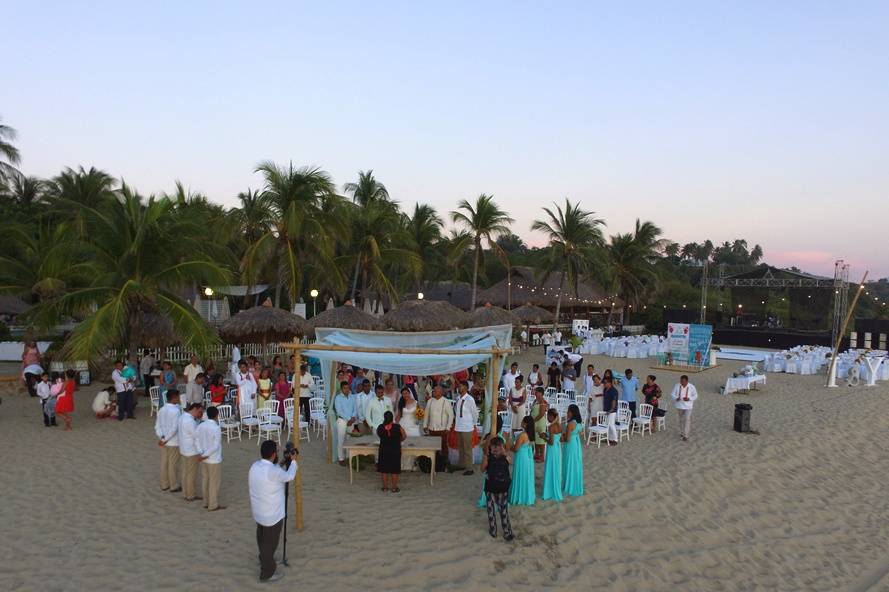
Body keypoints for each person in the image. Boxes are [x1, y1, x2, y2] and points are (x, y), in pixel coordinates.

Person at [249, 440, 297, 583]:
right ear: (273, 454)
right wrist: (293, 461)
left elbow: (274, 471)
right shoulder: (273, 471)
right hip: (272, 515)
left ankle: (263, 558)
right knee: (270, 542)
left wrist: (283, 461)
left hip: (259, 512)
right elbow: (289, 476)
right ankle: (267, 573)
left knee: (262, 538)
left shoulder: (255, 466)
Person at [482, 436, 515, 541]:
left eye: (498, 448)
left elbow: (511, 462)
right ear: (491, 448)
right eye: (494, 448)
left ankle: (497, 531)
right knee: (499, 510)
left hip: (498, 487)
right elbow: (482, 469)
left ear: (502, 448)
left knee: (498, 510)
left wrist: (504, 453)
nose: (495, 450)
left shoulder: (505, 457)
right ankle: (501, 531)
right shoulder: (489, 457)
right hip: (494, 487)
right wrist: (486, 458)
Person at [197, 406, 225, 511]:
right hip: (213, 458)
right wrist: (205, 454)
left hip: (204, 457)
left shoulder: (201, 426)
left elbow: (196, 440)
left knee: (206, 480)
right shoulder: (216, 428)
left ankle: (206, 502)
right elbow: (215, 446)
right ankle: (212, 504)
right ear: (217, 415)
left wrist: (201, 453)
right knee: (214, 482)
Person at [155, 389, 182, 492]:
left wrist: (161, 438)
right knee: (173, 464)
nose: (179, 399)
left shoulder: (161, 409)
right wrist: (165, 439)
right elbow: (174, 428)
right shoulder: (175, 411)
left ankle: (164, 484)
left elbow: (157, 426)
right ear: (174, 397)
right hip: (173, 441)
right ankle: (173, 485)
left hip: (163, 440)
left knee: (164, 462)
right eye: (178, 397)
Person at [178, 403, 204, 501]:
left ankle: (185, 493)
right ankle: (190, 495)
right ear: (195, 409)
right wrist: (201, 451)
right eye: (199, 411)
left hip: (183, 449)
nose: (200, 414)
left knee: (185, 472)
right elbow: (196, 436)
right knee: (191, 474)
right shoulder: (190, 421)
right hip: (191, 451)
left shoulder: (182, 417)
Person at [508, 416, 536, 506]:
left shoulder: (522, 435)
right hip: (528, 457)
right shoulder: (531, 434)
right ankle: (526, 495)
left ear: (526, 424)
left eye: (523, 421)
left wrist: (509, 446)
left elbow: (516, 449)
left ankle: (519, 496)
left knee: (520, 475)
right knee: (526, 475)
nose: (521, 422)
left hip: (522, 457)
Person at [422, 385, 454, 461]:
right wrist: (424, 425)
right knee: (433, 447)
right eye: (433, 391)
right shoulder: (430, 401)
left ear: (440, 393)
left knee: (443, 447)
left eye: (435, 391)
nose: (433, 392)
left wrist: (448, 427)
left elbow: (451, 415)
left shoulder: (446, 401)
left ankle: (445, 463)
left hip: (442, 429)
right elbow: (426, 414)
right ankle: (435, 463)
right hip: (432, 428)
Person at [377, 411, 406, 493]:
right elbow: (404, 436)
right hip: (395, 450)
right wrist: (399, 440)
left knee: (384, 469)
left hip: (383, 450)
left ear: (384, 418)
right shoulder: (397, 427)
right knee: (394, 469)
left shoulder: (380, 427)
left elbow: (379, 435)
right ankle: (394, 488)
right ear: (392, 418)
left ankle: (385, 487)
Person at [453, 382, 478, 476]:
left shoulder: (470, 399)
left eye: (461, 386)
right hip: (459, 426)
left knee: (467, 448)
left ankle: (469, 468)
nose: (459, 388)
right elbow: (456, 411)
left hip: (467, 427)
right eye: (458, 386)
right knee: (461, 447)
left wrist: (474, 424)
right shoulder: (458, 398)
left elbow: (474, 413)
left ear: (466, 388)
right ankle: (462, 464)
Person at [540, 408, 563, 502]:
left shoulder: (551, 427)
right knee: (556, 469)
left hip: (552, 450)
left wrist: (543, 437)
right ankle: (555, 488)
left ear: (551, 416)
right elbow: (559, 439)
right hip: (558, 450)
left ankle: (549, 491)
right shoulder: (559, 425)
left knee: (550, 468)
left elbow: (551, 442)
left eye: (548, 416)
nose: (547, 417)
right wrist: (547, 435)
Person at [562, 404, 584, 497]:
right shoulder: (579, 423)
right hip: (576, 444)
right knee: (575, 464)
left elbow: (567, 439)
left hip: (570, 445)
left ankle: (569, 484)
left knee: (569, 464)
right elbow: (581, 432)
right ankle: (575, 483)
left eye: (568, 411)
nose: (567, 413)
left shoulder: (571, 424)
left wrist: (561, 436)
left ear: (572, 412)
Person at [333, 381, 358, 465]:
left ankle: (348, 457)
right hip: (342, 420)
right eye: (345, 388)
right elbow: (339, 411)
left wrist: (353, 417)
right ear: (341, 388)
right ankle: (341, 458)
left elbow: (355, 408)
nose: (347, 390)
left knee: (349, 439)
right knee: (341, 440)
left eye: (348, 388)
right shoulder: (338, 398)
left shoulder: (352, 397)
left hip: (351, 421)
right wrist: (348, 419)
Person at [671, 375, 698, 441]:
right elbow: (672, 394)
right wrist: (675, 398)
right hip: (679, 405)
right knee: (681, 420)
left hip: (688, 406)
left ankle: (686, 435)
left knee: (687, 419)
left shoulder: (691, 386)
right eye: (680, 380)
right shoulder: (677, 385)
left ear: (686, 381)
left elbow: (695, 395)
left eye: (683, 381)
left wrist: (689, 398)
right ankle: (682, 432)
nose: (681, 382)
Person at [602, 376, 619, 446]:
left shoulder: (614, 391)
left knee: (611, 425)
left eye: (605, 383)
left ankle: (615, 439)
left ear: (609, 383)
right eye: (604, 383)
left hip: (612, 410)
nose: (604, 384)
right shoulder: (605, 389)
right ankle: (609, 438)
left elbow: (614, 401)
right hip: (606, 409)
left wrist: (611, 410)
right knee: (607, 425)